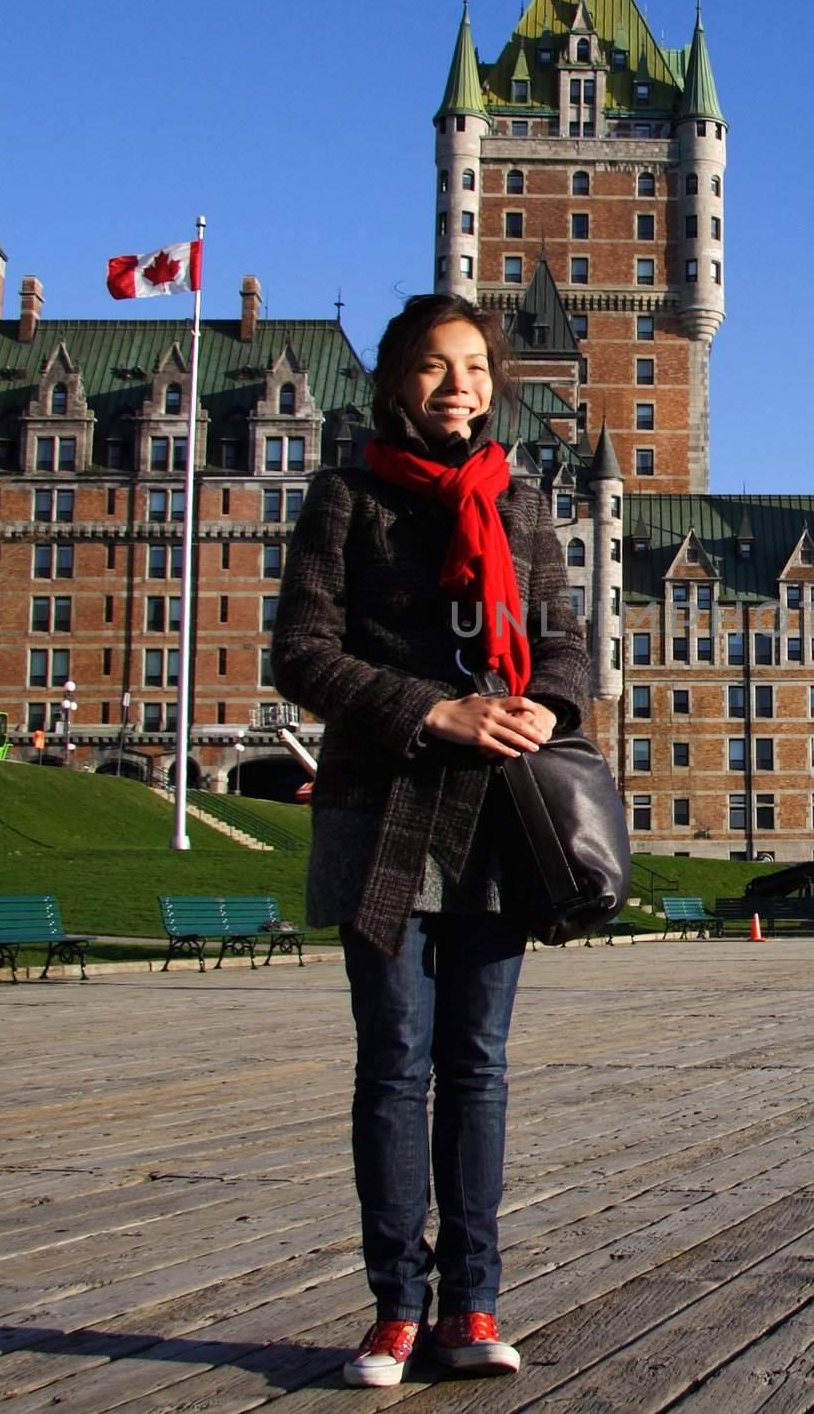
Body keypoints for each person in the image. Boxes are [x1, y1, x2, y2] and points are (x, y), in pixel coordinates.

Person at [271, 293, 586, 1385]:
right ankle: (396, 1307)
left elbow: (564, 645)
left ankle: (475, 1303)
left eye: (475, 369)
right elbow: (302, 655)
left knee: (479, 1066)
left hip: (497, 818)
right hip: (382, 815)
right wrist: (429, 709)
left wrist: (547, 702)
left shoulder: (525, 503)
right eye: (434, 367)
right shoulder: (346, 497)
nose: (460, 386)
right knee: (395, 1066)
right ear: (397, 380)